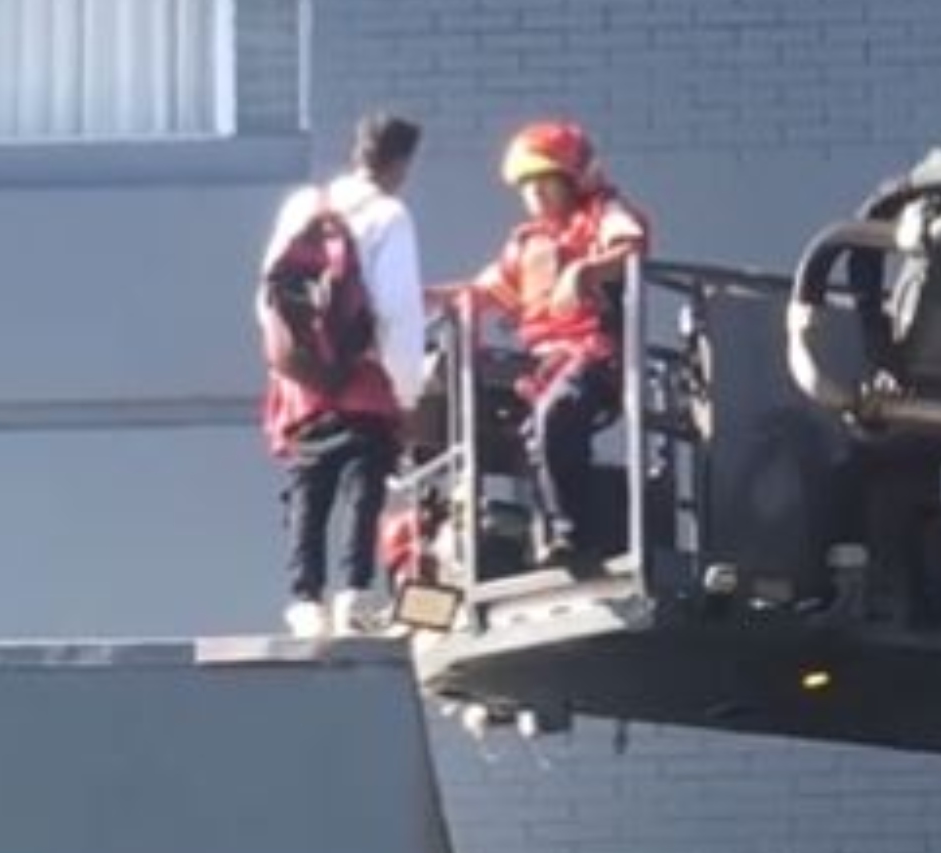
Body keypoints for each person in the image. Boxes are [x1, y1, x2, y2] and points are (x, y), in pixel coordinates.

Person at [259, 113, 426, 637]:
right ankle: (354, 594)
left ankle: (304, 599)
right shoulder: (389, 215)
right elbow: (397, 311)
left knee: (309, 486)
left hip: (303, 381)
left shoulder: (304, 206)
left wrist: (293, 362)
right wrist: (408, 390)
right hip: (362, 377)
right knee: (363, 483)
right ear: (399, 163)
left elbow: (270, 293)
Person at [462, 120, 652, 570]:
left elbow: (633, 247)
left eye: (545, 182)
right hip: (544, 365)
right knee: (534, 435)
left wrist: (584, 271)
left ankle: (571, 534)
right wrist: (426, 300)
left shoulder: (603, 213)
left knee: (556, 417)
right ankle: (547, 534)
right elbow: (485, 292)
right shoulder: (527, 243)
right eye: (527, 186)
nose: (536, 195)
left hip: (596, 355)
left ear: (573, 179)